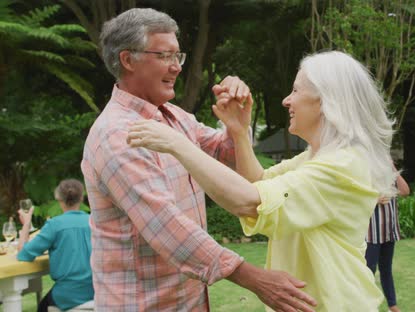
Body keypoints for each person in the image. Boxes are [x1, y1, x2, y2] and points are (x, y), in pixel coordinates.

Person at [81, 8, 315, 312]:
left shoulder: (174, 117)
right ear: (128, 60)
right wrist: (254, 278)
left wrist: (237, 127)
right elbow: (165, 225)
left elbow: (224, 155)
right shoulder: (117, 136)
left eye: (178, 56)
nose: (176, 67)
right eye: (165, 56)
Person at [127, 50, 396, 310]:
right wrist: (239, 131)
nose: (286, 100)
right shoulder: (316, 158)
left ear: (327, 100)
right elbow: (257, 183)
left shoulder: (342, 165)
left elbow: (249, 202)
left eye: (296, 90)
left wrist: (178, 144)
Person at [17, 179, 94, 312]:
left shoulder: (54, 225)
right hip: (95, 291)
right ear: (82, 198)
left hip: (68, 295)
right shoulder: (94, 222)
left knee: (42, 306)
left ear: (58, 198)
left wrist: (26, 224)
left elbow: (23, 254)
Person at [365, 163, 410, 312]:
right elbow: (354, 196)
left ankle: (392, 305)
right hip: (372, 232)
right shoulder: (365, 170)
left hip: (388, 230)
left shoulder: (390, 175)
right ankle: (366, 305)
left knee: (386, 269)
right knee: (368, 270)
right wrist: (374, 199)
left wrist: (393, 168)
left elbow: (405, 191)